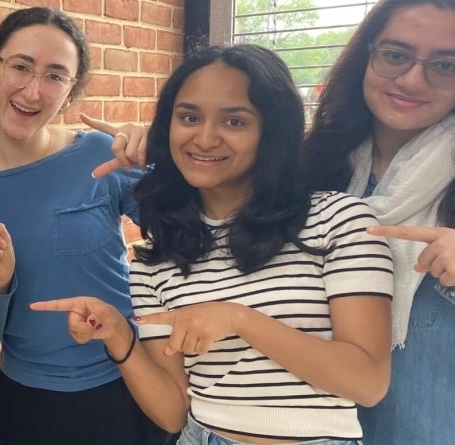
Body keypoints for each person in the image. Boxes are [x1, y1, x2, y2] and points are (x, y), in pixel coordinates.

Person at [32, 44, 395, 445]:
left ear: (271, 130)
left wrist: (239, 319)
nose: (204, 139)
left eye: (234, 121)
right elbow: (172, 413)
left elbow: (368, 382)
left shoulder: (340, 220)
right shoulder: (158, 255)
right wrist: (118, 334)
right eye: (189, 117)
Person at [0, 6, 164, 444]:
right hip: (29, 409)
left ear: (69, 92)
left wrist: (160, 163)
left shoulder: (99, 155)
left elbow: (192, 233)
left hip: (128, 388)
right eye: (21, 66)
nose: (32, 90)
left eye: (55, 76)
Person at [301, 0, 455, 442]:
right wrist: (153, 154)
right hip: (315, 426)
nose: (411, 80)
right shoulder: (311, 164)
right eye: (396, 54)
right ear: (367, 55)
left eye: (444, 65)